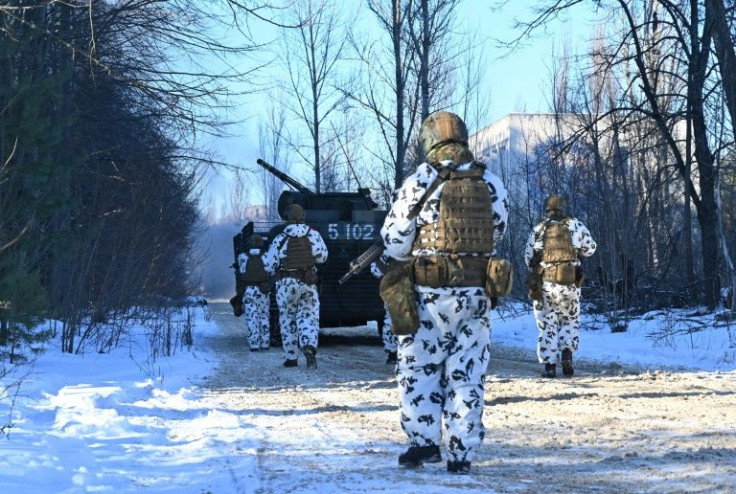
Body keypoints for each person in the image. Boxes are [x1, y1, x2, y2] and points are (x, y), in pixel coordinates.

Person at [380, 110, 509, 474]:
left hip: (429, 295)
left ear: (430, 140)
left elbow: (394, 242)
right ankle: (461, 453)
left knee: (419, 368)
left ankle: (423, 445)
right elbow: (497, 232)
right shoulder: (491, 182)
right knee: (467, 374)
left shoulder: (421, 179)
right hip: (475, 294)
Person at [524, 195, 597, 378]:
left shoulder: (539, 229)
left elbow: (528, 259)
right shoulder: (575, 225)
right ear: (563, 208)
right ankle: (567, 355)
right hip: (569, 283)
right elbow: (591, 249)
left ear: (547, 210)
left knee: (547, 324)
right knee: (570, 320)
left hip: (546, 284)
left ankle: (549, 366)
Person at [263, 204, 328, 368]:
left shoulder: (280, 238)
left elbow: (269, 265)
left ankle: (291, 357)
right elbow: (322, 257)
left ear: (287, 217)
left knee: (287, 319)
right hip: (308, 282)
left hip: (286, 284)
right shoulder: (313, 235)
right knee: (309, 316)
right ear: (303, 216)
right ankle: (309, 346)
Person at [237, 234, 271, 352]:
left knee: (251, 317)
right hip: (263, 290)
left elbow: (241, 272)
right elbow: (270, 272)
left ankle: (254, 344)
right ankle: (265, 342)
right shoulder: (267, 256)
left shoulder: (242, 256)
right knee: (264, 316)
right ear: (261, 243)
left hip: (248, 290)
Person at [369, 252, 399, 364]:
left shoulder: (388, 249)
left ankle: (392, 353)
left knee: (391, 320)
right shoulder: (414, 244)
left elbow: (375, 270)